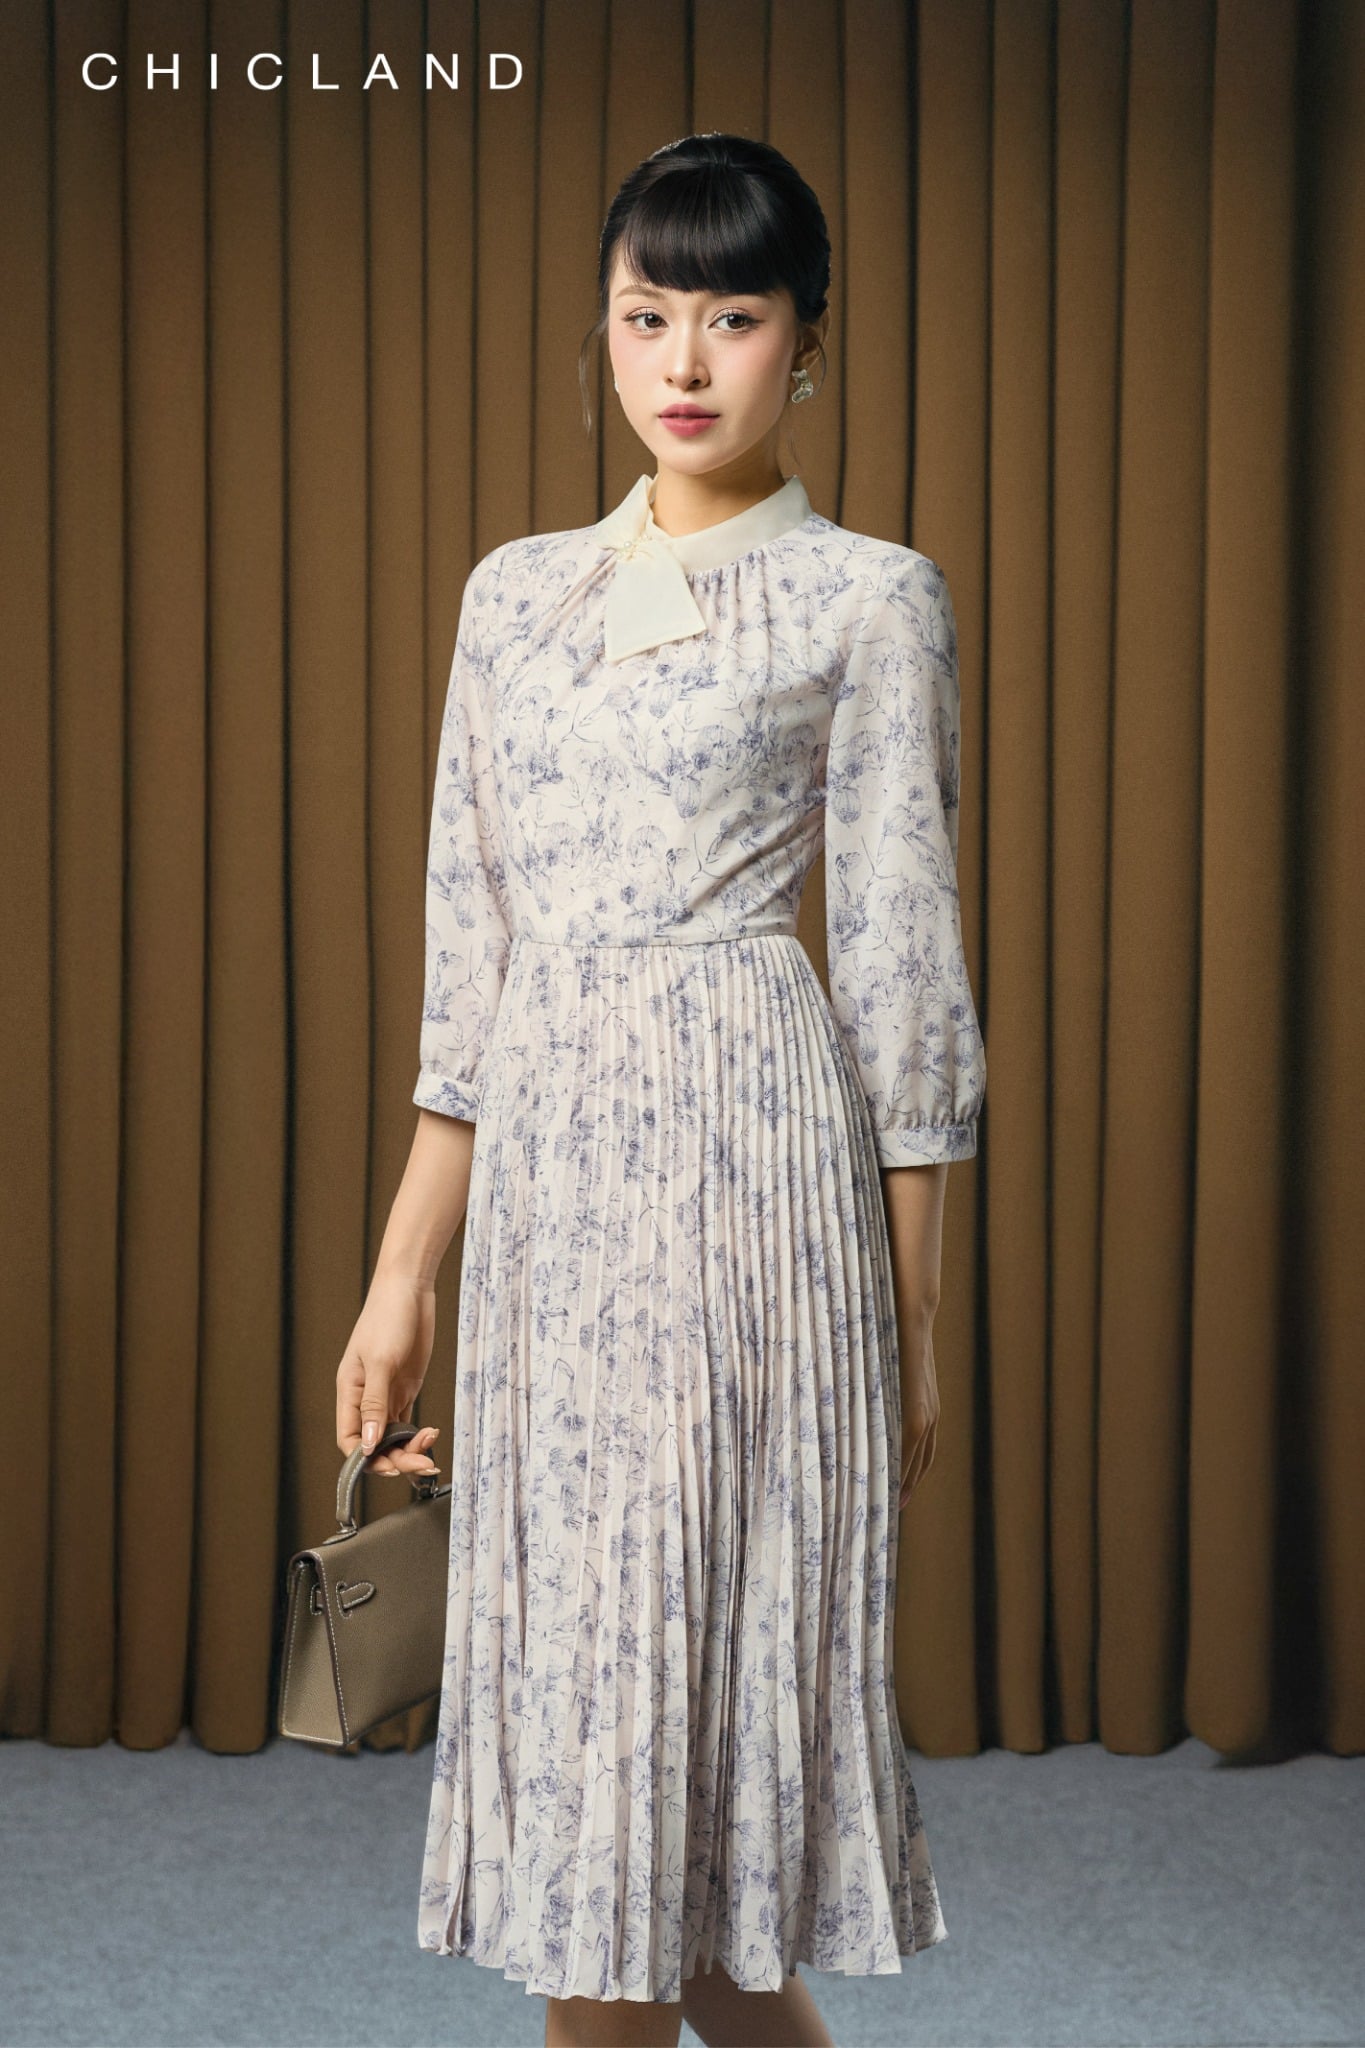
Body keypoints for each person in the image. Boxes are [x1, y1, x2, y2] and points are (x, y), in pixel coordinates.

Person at [335, 132, 986, 2048]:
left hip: (753, 1194)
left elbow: (900, 964)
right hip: (551, 1204)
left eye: (732, 316)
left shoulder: (871, 597)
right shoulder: (514, 595)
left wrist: (910, 1315)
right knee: (619, 1827)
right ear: (602, 331)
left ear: (808, 342)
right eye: (645, 315)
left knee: (664, 1818)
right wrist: (402, 1277)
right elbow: (472, 957)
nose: (683, 360)